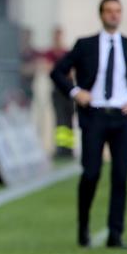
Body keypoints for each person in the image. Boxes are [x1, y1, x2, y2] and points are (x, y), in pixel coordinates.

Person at [51, 0, 127, 249]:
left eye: (118, 10)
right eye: (109, 10)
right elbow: (57, 72)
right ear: (101, 14)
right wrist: (76, 92)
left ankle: (115, 234)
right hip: (94, 115)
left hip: (122, 117)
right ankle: (83, 227)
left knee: (120, 176)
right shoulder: (85, 44)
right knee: (91, 173)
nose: (114, 15)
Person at [42, 27, 75, 158]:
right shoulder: (50, 53)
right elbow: (49, 70)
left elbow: (71, 72)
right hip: (57, 91)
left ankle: (69, 148)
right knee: (60, 121)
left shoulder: (67, 53)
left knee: (69, 120)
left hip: (68, 90)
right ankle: (61, 148)